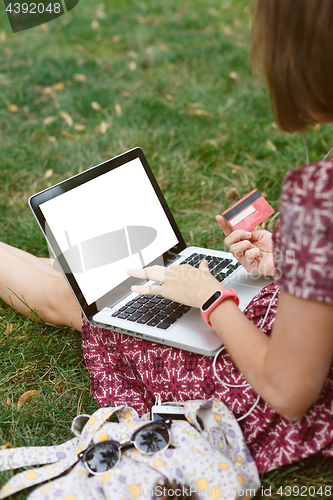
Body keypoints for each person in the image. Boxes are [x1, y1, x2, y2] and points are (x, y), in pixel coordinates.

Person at [1, 0, 332, 473]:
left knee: (87, 306)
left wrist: (213, 300)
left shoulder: (321, 196)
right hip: (300, 328)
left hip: (284, 390)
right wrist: (294, 263)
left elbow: (288, 391)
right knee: (105, 282)